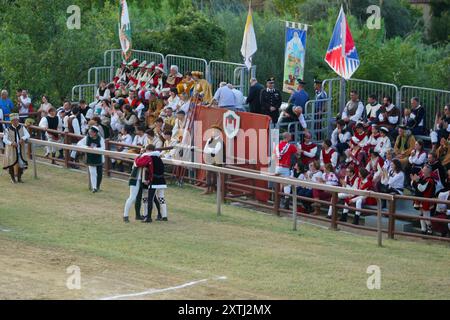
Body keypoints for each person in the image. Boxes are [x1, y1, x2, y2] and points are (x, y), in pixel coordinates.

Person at [135, 145, 169, 223]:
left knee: (149, 198)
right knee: (161, 198)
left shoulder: (148, 157)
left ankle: (148, 216)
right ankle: (164, 216)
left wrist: (140, 155)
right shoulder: (158, 157)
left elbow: (138, 163)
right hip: (161, 180)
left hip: (153, 180)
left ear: (148, 150)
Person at [123, 147, 153, 223]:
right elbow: (140, 163)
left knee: (140, 198)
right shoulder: (140, 158)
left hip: (141, 180)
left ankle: (139, 215)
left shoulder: (142, 158)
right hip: (135, 179)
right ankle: (125, 215)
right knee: (132, 197)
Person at [2, 113, 30, 183]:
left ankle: (19, 178)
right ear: (11, 121)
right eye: (14, 120)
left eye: (16, 120)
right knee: (12, 163)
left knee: (21, 163)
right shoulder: (7, 129)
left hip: (20, 149)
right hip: (12, 150)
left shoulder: (22, 127)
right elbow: (5, 140)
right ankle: (13, 178)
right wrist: (11, 143)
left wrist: (23, 138)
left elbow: (27, 135)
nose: (15, 121)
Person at [77, 126, 105, 193]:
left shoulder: (100, 139)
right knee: (93, 173)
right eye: (89, 132)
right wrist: (87, 147)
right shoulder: (87, 138)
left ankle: (97, 187)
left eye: (91, 132)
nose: (90, 133)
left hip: (99, 158)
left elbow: (103, 148)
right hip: (90, 158)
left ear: (95, 133)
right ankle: (94, 188)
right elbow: (79, 144)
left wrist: (94, 149)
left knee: (99, 174)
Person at [274, 132, 298, 209]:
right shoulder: (290, 146)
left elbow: (274, 155)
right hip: (285, 167)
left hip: (277, 167)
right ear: (287, 137)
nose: (291, 137)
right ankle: (286, 204)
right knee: (287, 185)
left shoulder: (277, 146)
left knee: (279, 184)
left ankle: (276, 202)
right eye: (290, 136)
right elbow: (297, 152)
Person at [411, 165, 435, 235]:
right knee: (421, 214)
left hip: (426, 200)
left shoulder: (430, 180)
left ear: (428, 171)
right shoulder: (423, 178)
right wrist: (414, 181)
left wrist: (416, 181)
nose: (422, 171)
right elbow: (414, 185)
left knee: (426, 215)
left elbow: (422, 189)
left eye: (424, 169)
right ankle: (423, 230)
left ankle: (430, 229)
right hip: (421, 199)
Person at [203, 125, 224, 195]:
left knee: (215, 175)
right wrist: (210, 150)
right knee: (208, 174)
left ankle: (213, 188)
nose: (213, 132)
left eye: (215, 131)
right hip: (210, 160)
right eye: (212, 130)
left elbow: (216, 151)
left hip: (218, 161)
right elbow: (205, 150)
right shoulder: (210, 139)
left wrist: (210, 150)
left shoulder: (220, 141)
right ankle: (208, 188)